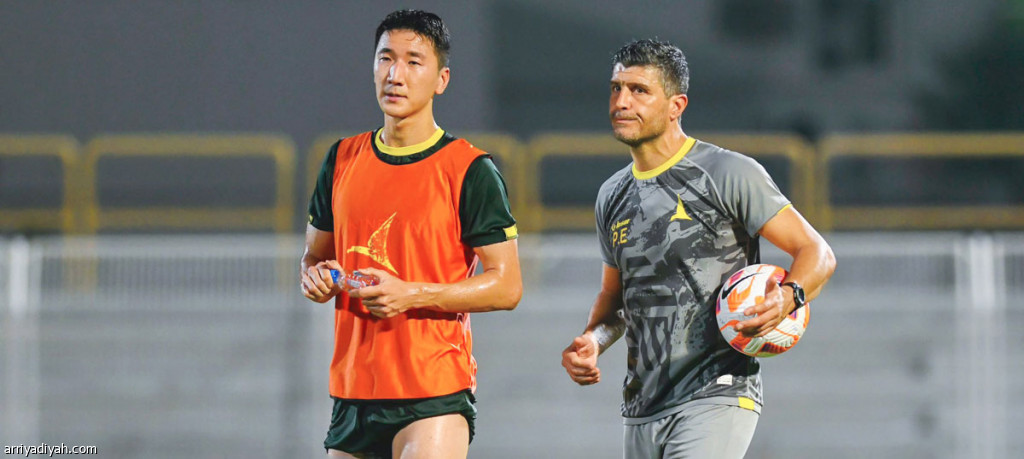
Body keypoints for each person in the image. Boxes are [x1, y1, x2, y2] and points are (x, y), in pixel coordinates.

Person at [560, 39, 836, 458]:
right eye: (616, 88)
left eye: (639, 90)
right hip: (640, 407)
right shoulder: (611, 195)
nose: (621, 101)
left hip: (717, 392)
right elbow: (616, 300)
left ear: (676, 106)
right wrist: (592, 342)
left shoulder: (727, 172)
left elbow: (817, 253)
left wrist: (787, 297)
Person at [300, 10, 522, 458]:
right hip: (352, 392)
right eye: (386, 58)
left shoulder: (469, 169)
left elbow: (508, 286)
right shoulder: (340, 159)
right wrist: (314, 277)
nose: (395, 74)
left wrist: (411, 294)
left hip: (432, 392)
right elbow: (313, 256)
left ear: (441, 80)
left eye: (413, 62)